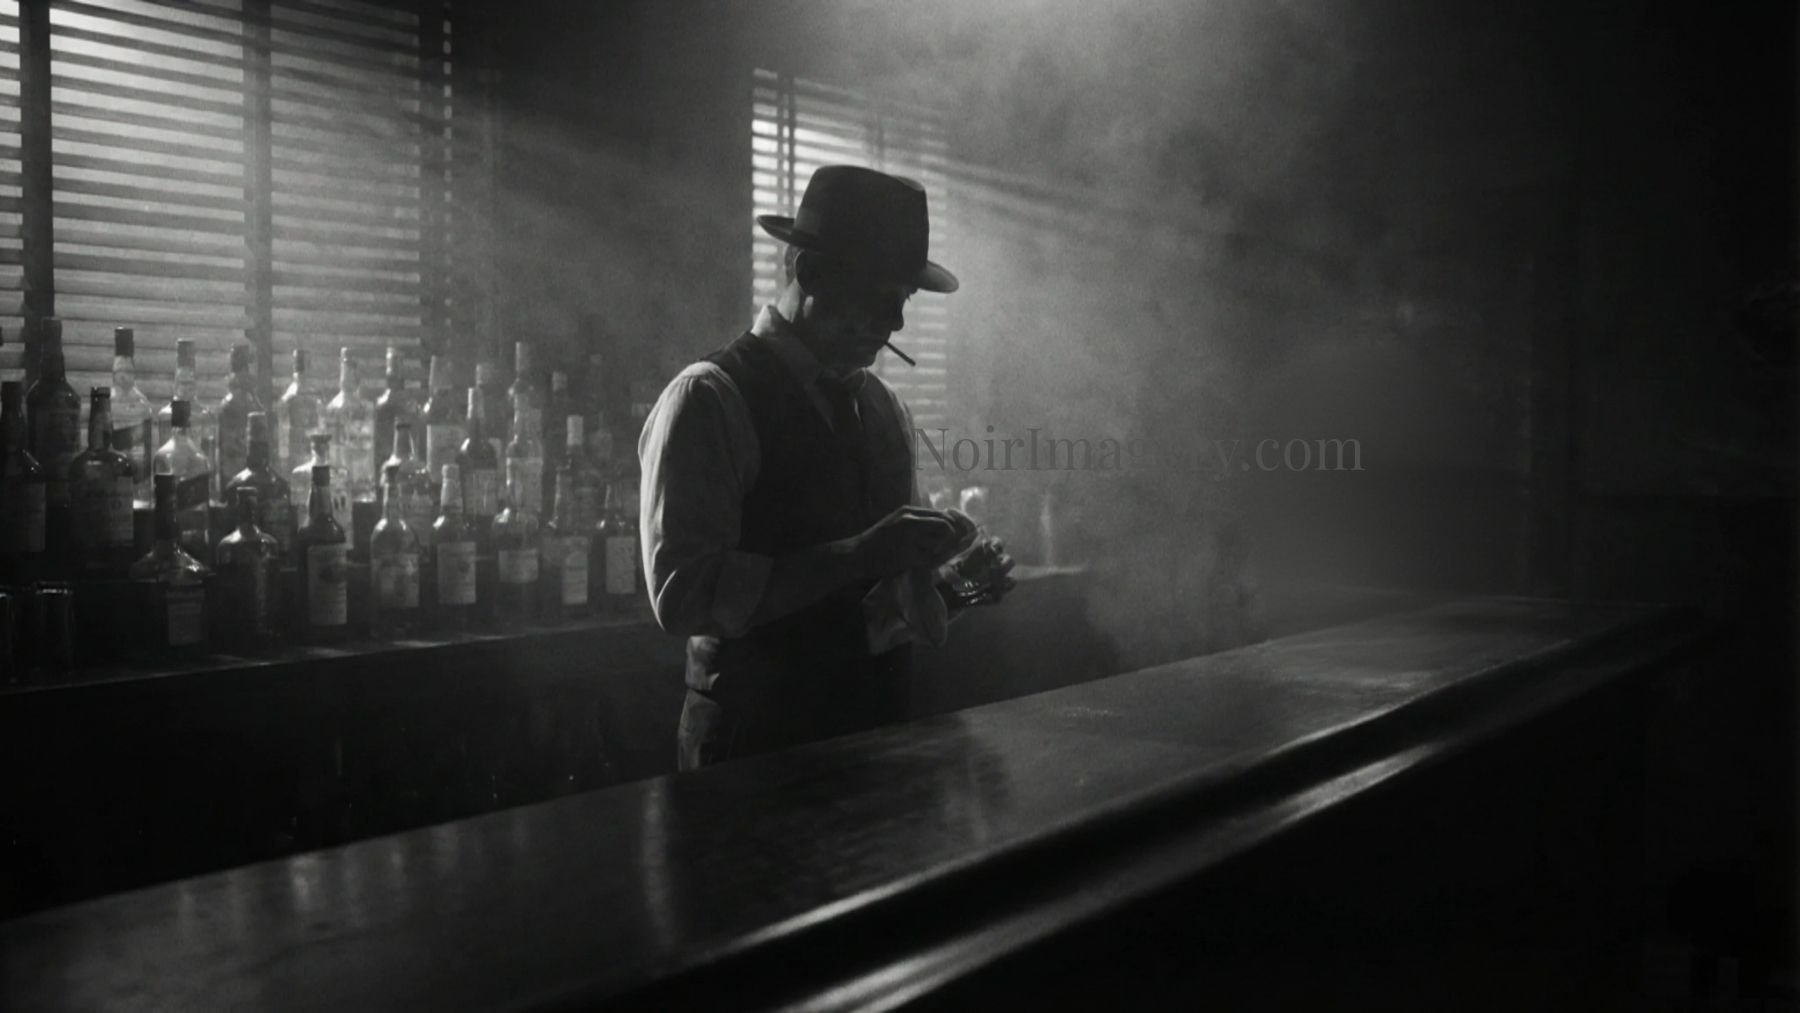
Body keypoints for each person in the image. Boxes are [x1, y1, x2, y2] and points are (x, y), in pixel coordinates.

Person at [640, 165, 1015, 771]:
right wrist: (861, 554)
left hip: (877, 748)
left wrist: (947, 588)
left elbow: (866, 617)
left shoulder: (884, 409)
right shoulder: (709, 399)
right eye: (879, 298)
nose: (895, 324)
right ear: (810, 272)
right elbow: (684, 598)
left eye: (904, 301)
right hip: (752, 761)